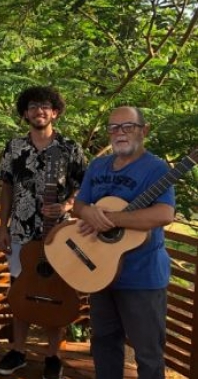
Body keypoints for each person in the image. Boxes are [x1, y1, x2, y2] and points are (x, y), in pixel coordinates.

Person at [73, 106, 175, 379]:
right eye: (113, 128)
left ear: (144, 130)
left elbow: (164, 214)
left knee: (148, 352)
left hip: (142, 276)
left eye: (127, 126)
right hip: (99, 270)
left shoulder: (156, 168)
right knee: (104, 344)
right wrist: (88, 212)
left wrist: (114, 219)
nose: (119, 133)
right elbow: (80, 204)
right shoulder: (98, 165)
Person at [0, 86, 86, 378]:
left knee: (56, 291)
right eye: (33, 106)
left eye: (45, 106)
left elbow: (85, 186)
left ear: (55, 111)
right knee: (21, 289)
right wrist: (3, 227)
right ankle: (19, 350)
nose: (39, 111)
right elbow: (6, 186)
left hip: (59, 233)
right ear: (25, 113)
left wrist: (67, 204)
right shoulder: (14, 147)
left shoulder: (71, 147)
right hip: (21, 232)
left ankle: (53, 356)